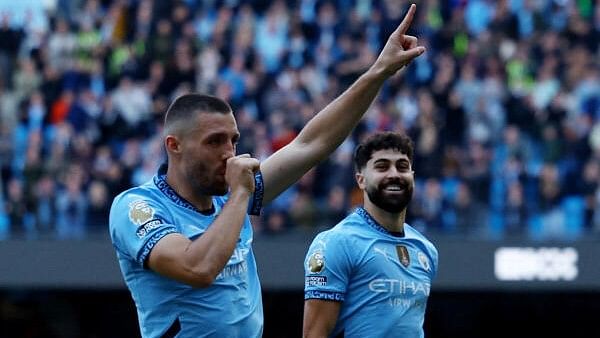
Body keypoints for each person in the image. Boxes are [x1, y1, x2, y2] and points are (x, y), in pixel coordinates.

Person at [109, 4, 425, 337]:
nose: (229, 153)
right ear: (174, 145)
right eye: (214, 142)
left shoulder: (233, 194)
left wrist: (378, 72)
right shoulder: (137, 207)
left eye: (233, 141)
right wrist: (241, 194)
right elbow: (197, 267)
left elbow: (311, 144)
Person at [303, 132, 438, 338]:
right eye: (382, 167)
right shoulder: (336, 243)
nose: (394, 174)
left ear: (412, 176)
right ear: (361, 180)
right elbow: (315, 334)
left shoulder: (426, 249)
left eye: (402, 167)